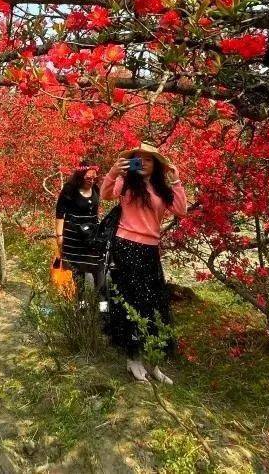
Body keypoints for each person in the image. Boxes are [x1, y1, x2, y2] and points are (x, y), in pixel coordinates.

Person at [99, 142, 187, 383]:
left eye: (148, 159)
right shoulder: (126, 183)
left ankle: (153, 361)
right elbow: (106, 195)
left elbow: (181, 210)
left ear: (156, 164)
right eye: (138, 159)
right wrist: (114, 171)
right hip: (126, 246)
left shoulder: (161, 188)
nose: (143, 163)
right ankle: (133, 359)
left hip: (150, 249)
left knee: (155, 302)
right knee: (133, 301)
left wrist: (177, 181)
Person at [55, 163, 102, 292]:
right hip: (74, 238)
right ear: (80, 176)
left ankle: (102, 308)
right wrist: (59, 236)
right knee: (78, 275)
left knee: (98, 271)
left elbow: (95, 212)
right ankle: (81, 306)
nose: (92, 181)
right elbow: (60, 213)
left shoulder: (96, 189)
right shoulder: (70, 189)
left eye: (94, 178)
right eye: (88, 178)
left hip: (91, 237)